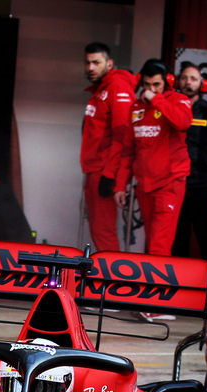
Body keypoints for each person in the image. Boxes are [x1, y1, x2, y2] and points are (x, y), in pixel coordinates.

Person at [113, 59, 193, 256]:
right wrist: (120, 186)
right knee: (151, 244)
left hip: (170, 183)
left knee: (159, 246)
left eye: (156, 84)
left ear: (167, 82)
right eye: (147, 85)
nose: (151, 89)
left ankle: (159, 287)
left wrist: (157, 100)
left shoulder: (178, 101)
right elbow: (128, 151)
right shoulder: (136, 108)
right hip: (145, 185)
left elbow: (183, 123)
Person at [80, 42, 136, 253]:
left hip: (104, 170)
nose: (91, 68)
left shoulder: (118, 87)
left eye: (96, 62)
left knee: (103, 230)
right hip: (94, 168)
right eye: (87, 63)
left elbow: (123, 136)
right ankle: (107, 276)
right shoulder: (100, 91)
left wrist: (110, 174)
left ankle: (111, 279)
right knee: (98, 229)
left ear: (109, 63)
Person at [171, 62, 207, 262]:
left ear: (202, 84)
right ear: (177, 81)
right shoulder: (171, 110)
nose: (188, 82)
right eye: (185, 78)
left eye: (193, 78)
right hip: (177, 186)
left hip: (205, 189)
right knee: (177, 241)